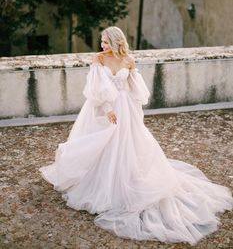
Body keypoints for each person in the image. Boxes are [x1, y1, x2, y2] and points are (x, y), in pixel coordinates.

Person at [39, 26, 233, 245]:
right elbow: (96, 88)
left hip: (124, 107)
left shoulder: (129, 61)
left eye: (105, 42)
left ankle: (128, 180)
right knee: (101, 144)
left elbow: (136, 90)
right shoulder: (99, 59)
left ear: (116, 42)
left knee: (128, 145)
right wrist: (108, 108)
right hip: (104, 107)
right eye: (101, 41)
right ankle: (99, 181)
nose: (102, 45)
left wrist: (130, 109)